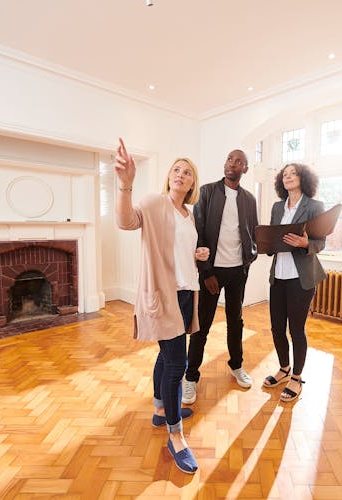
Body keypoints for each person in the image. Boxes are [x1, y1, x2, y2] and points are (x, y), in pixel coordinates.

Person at [114, 138, 209, 474]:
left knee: (166, 357)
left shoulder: (189, 214)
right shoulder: (156, 203)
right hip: (164, 296)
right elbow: (126, 222)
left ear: (193, 183)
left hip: (186, 294)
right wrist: (126, 186)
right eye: (176, 170)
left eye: (187, 172)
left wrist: (198, 254)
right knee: (177, 365)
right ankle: (176, 435)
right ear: (169, 176)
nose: (181, 175)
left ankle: (159, 410)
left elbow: (179, 250)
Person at [182, 149, 259, 404]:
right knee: (201, 325)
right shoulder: (207, 192)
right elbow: (199, 232)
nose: (232, 164)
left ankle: (236, 366)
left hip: (238, 271)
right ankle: (190, 376)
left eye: (238, 162)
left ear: (244, 169)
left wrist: (249, 259)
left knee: (235, 321)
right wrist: (206, 273)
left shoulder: (249, 199)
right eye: (229, 159)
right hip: (212, 272)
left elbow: (253, 233)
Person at [262, 163, 326, 402]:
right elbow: (273, 239)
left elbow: (321, 242)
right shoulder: (277, 207)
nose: (288, 177)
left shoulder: (314, 206)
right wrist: (265, 244)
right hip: (278, 276)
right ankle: (284, 368)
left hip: (302, 278)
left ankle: (297, 377)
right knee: (277, 328)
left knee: (296, 330)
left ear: (303, 178)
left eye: (293, 173)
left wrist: (304, 244)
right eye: (285, 174)